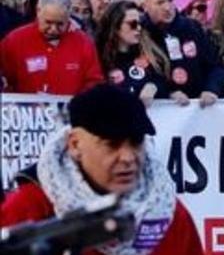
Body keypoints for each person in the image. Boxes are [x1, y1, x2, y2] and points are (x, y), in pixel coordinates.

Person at [0, 84, 205, 254]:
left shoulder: (167, 211)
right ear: (75, 144)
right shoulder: (30, 209)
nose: (127, 157)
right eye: (112, 144)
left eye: (136, 142)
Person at [0, 0, 102, 95]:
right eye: (48, 22)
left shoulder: (83, 43)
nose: (53, 29)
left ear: (68, 16)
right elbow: (4, 79)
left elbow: (94, 83)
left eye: (60, 24)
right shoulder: (14, 41)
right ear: (38, 11)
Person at [140, 0, 224, 106]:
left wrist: (211, 89)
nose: (167, 7)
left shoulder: (192, 28)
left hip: (199, 110)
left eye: (170, 0)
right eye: (160, 2)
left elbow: (215, 66)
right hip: (161, 113)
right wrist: (168, 92)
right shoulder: (139, 33)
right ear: (145, 6)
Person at [96, 0, 175, 106]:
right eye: (132, 24)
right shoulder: (99, 57)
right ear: (115, 26)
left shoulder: (150, 54)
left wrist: (154, 86)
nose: (138, 28)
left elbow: (166, 84)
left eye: (140, 23)